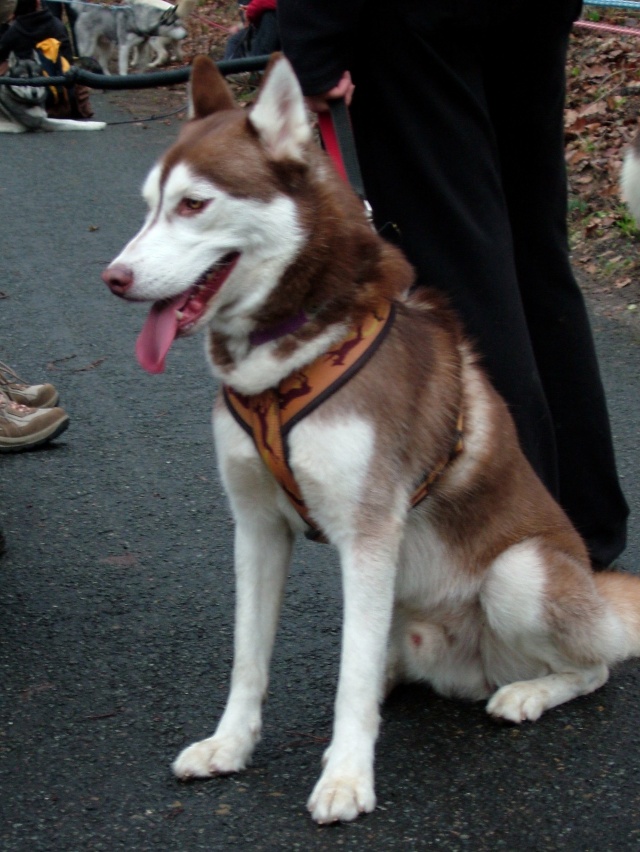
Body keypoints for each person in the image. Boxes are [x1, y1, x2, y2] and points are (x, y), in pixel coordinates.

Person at [277, 0, 629, 569]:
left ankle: (523, 550)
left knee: (461, 271)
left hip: (415, 22)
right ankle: (583, 522)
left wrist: (312, 45)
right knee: (534, 255)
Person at [0, 0, 94, 119]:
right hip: (63, 88)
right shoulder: (56, 24)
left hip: (28, 90)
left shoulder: (15, 30)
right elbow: (68, 58)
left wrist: (4, 26)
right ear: (38, 4)